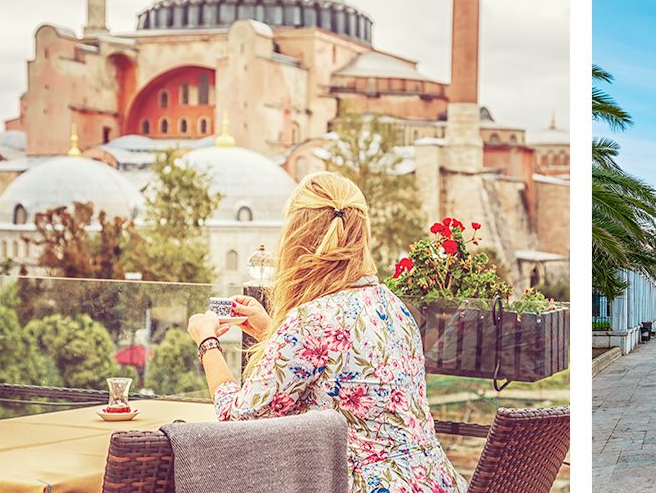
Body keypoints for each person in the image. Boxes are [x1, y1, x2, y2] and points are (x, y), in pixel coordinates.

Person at [187, 172, 467, 493]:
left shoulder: (310, 320)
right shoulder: (394, 307)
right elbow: (339, 362)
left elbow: (237, 422)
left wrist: (207, 341)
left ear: (297, 237)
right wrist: (270, 330)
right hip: (437, 482)